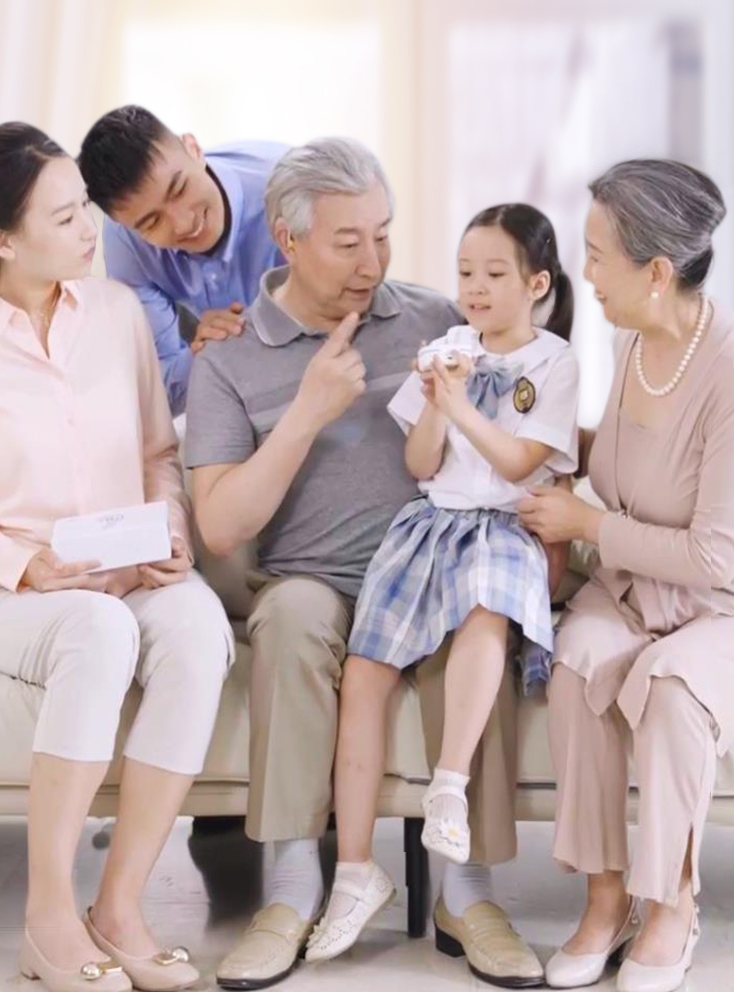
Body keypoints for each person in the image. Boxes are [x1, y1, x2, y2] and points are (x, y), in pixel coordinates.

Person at [185, 139, 558, 991]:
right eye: (348, 242)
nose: (373, 261)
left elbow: (532, 392)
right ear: (288, 239)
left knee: (478, 610)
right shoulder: (231, 358)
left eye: (383, 235)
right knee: (289, 620)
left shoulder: (438, 321)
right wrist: (307, 411)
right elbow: (221, 526)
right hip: (308, 579)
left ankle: (468, 894)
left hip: (430, 566)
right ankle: (291, 891)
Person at [0, 124, 234, 992]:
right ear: (2, 239)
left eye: (85, 209)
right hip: (6, 594)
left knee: (198, 628)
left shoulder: (119, 314)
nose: (91, 230)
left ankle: (118, 908)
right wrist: (30, 569)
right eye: (64, 218)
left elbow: (160, 452)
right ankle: (48, 918)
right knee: (96, 628)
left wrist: (169, 530)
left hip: (128, 575)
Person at [306, 203, 578, 972]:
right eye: (465, 273)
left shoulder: (553, 363)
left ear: (536, 284)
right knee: (365, 671)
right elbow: (422, 465)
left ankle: (449, 786)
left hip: (505, 528)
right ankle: (355, 872)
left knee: (487, 611)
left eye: (494, 274)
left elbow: (520, 463)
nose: (475, 289)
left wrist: (460, 404)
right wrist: (434, 403)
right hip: (432, 524)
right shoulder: (445, 350)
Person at [517, 159, 733, 992]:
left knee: (674, 691)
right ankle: (606, 899)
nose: (587, 273)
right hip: (631, 589)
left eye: (599, 255)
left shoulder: (727, 372)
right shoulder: (627, 340)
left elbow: (715, 556)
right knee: (577, 665)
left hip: (717, 607)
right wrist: (535, 440)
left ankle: (672, 904)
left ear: (657, 271)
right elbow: (619, 464)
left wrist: (586, 527)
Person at [78, 105, 287, 415]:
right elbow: (156, 390)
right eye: (152, 223)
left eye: (179, 189)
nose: (183, 224)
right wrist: (205, 352)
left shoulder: (292, 189)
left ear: (194, 148)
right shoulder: (125, 240)